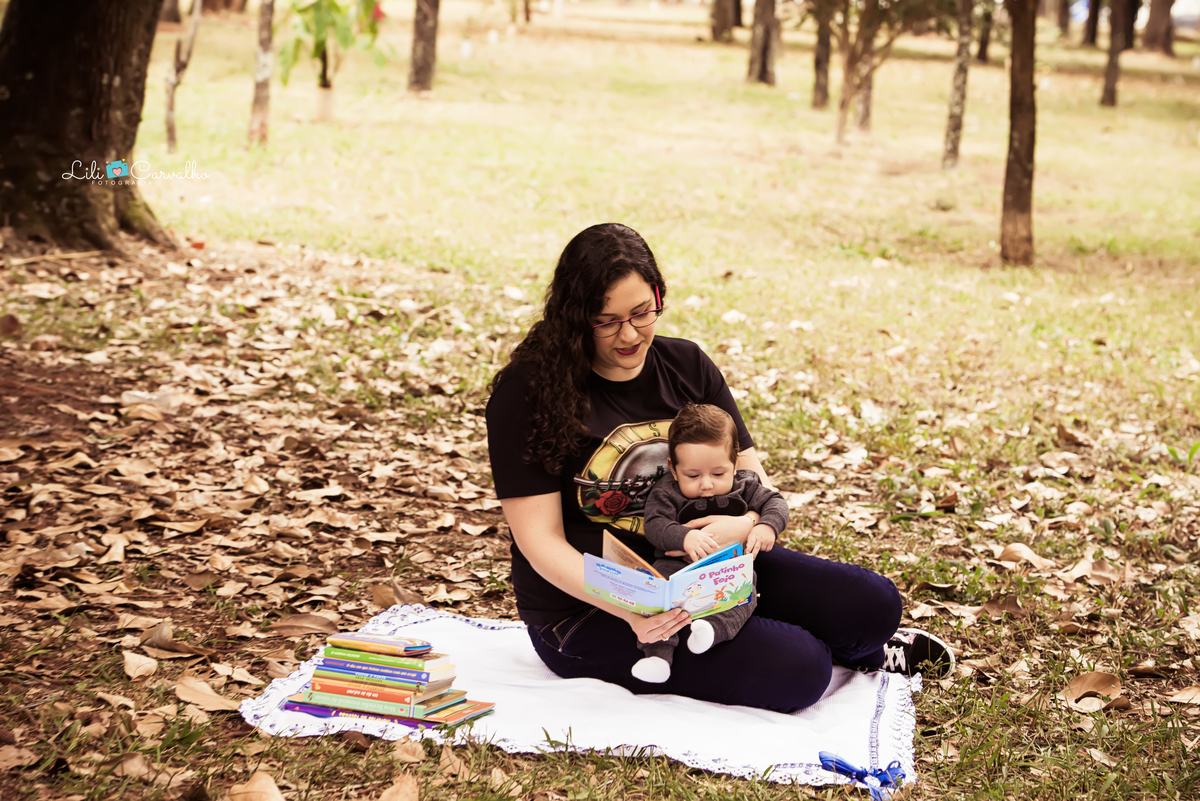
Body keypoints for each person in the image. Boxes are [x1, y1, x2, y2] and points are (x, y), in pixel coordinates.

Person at [486, 223, 953, 714]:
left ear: (659, 295)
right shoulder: (527, 394)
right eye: (606, 321)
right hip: (589, 610)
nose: (629, 334)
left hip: (711, 569)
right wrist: (636, 612)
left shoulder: (687, 365)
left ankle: (852, 649)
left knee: (873, 604)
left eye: (642, 313)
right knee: (802, 669)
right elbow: (539, 544)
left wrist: (747, 523)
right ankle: (812, 650)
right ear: (575, 317)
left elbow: (753, 480)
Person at [632, 402, 789, 684]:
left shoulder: (746, 484)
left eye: (718, 474)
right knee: (654, 602)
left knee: (745, 596)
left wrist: (766, 525)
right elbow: (654, 524)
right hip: (675, 568)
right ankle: (657, 656)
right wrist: (684, 536)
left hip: (728, 570)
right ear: (674, 468)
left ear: (734, 463)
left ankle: (712, 631)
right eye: (693, 475)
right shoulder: (666, 492)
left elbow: (775, 501)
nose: (706, 484)